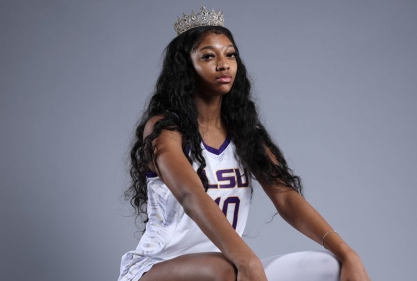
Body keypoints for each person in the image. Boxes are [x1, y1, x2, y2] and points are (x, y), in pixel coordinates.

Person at [119, 6, 371, 281]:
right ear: (185, 68)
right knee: (226, 269)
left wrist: (348, 253)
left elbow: (286, 197)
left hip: (232, 264)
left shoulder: (244, 133)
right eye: (207, 56)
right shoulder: (164, 129)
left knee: (331, 266)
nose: (223, 64)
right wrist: (247, 261)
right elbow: (191, 195)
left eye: (230, 55)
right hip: (158, 268)